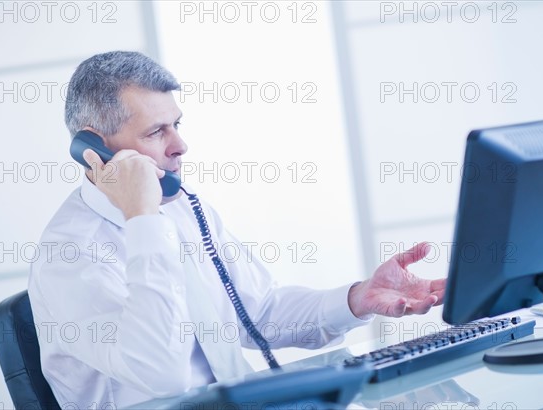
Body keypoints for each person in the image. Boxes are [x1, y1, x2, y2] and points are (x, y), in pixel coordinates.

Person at [28, 51, 446, 409]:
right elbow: (162, 374)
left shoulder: (184, 209)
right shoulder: (69, 255)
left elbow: (258, 313)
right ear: (93, 151)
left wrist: (359, 298)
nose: (180, 146)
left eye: (177, 124)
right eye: (157, 132)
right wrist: (142, 220)